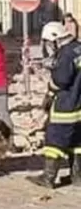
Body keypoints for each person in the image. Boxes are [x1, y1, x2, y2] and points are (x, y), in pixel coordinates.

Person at [27, 21, 81, 188]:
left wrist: (49, 92)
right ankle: (77, 177)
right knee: (77, 142)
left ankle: (48, 177)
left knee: (54, 139)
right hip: (79, 103)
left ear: (54, 39)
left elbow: (61, 80)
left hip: (66, 105)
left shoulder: (65, 54)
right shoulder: (79, 48)